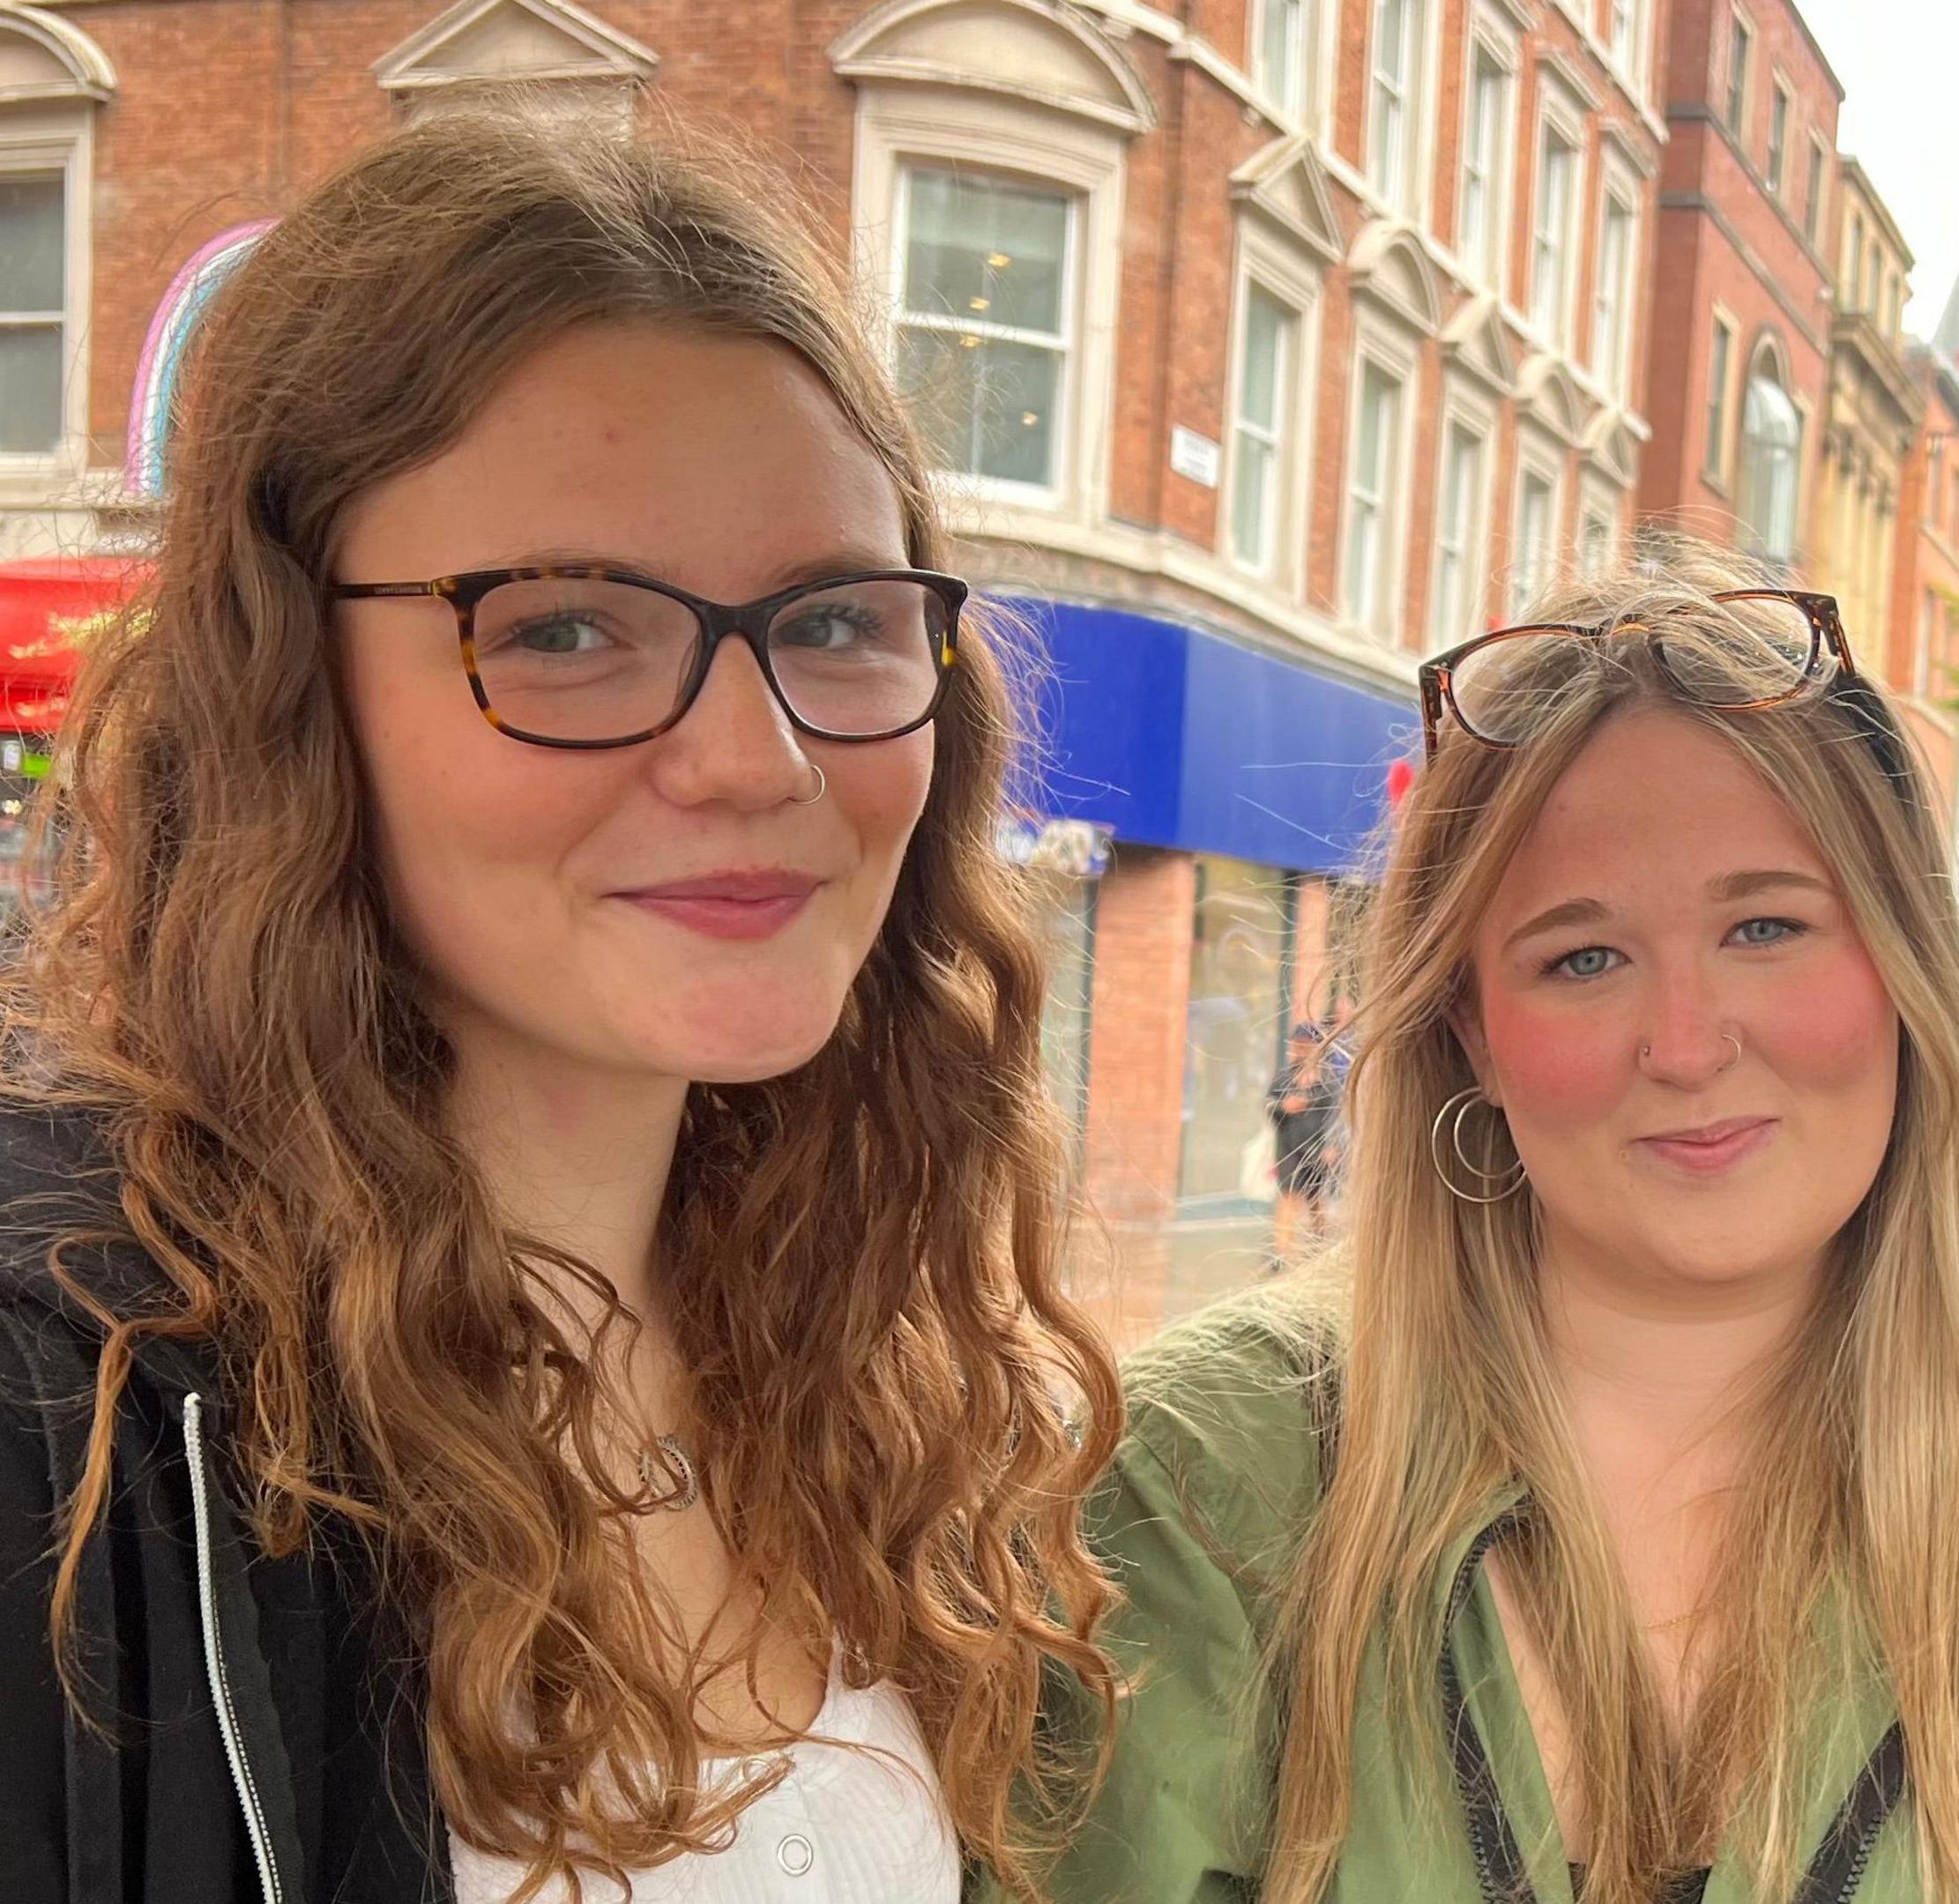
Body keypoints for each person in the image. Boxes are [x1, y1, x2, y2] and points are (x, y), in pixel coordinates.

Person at [0, 115, 1122, 1901]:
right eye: (566, 631)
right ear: (294, 691)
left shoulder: (858, 1346)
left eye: (832, 618)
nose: (754, 761)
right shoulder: (68, 1415)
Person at [1068, 571, 1959, 1903]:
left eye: (1767, 927)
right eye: (1582, 958)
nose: (1690, 1045)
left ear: (1902, 965)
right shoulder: (1192, 1492)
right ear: (1470, 1027)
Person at [1270, 1003, 1351, 1257]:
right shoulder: (1284, 1079)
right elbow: (1269, 1105)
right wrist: (1284, 1106)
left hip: (1316, 1147)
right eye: (1297, 1046)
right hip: (1289, 1146)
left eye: (1305, 1046)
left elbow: (1336, 1117)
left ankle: (1316, 1246)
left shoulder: (1326, 1081)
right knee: (1289, 1196)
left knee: (1315, 1199)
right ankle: (1281, 1253)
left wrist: (1333, 1146)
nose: (1300, 1051)